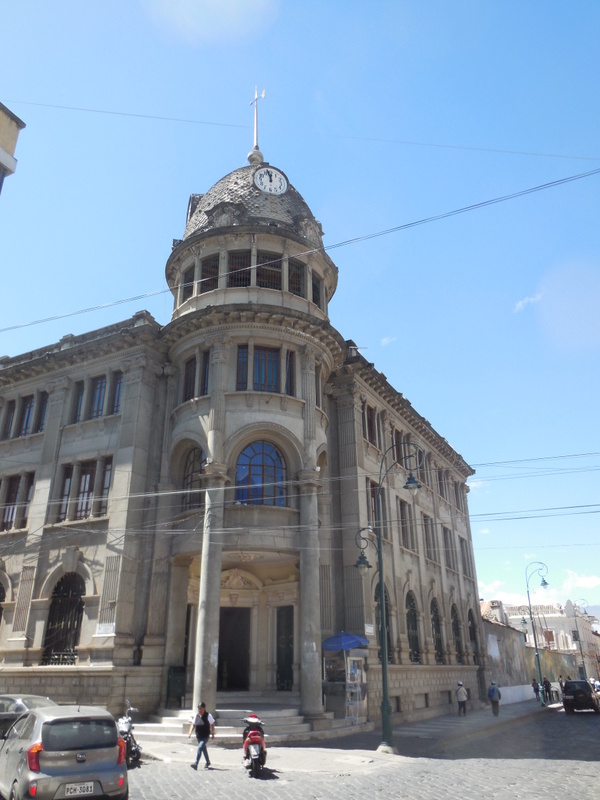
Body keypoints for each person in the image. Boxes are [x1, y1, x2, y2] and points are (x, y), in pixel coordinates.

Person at [188, 701, 215, 770]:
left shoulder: (208, 715)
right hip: (199, 735)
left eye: (201, 709)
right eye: (199, 708)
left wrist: (213, 733)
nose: (200, 710)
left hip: (205, 735)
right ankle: (208, 762)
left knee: (200, 747)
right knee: (203, 748)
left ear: (204, 708)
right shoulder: (196, 716)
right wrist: (190, 732)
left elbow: (212, 723)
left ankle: (196, 764)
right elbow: (193, 724)